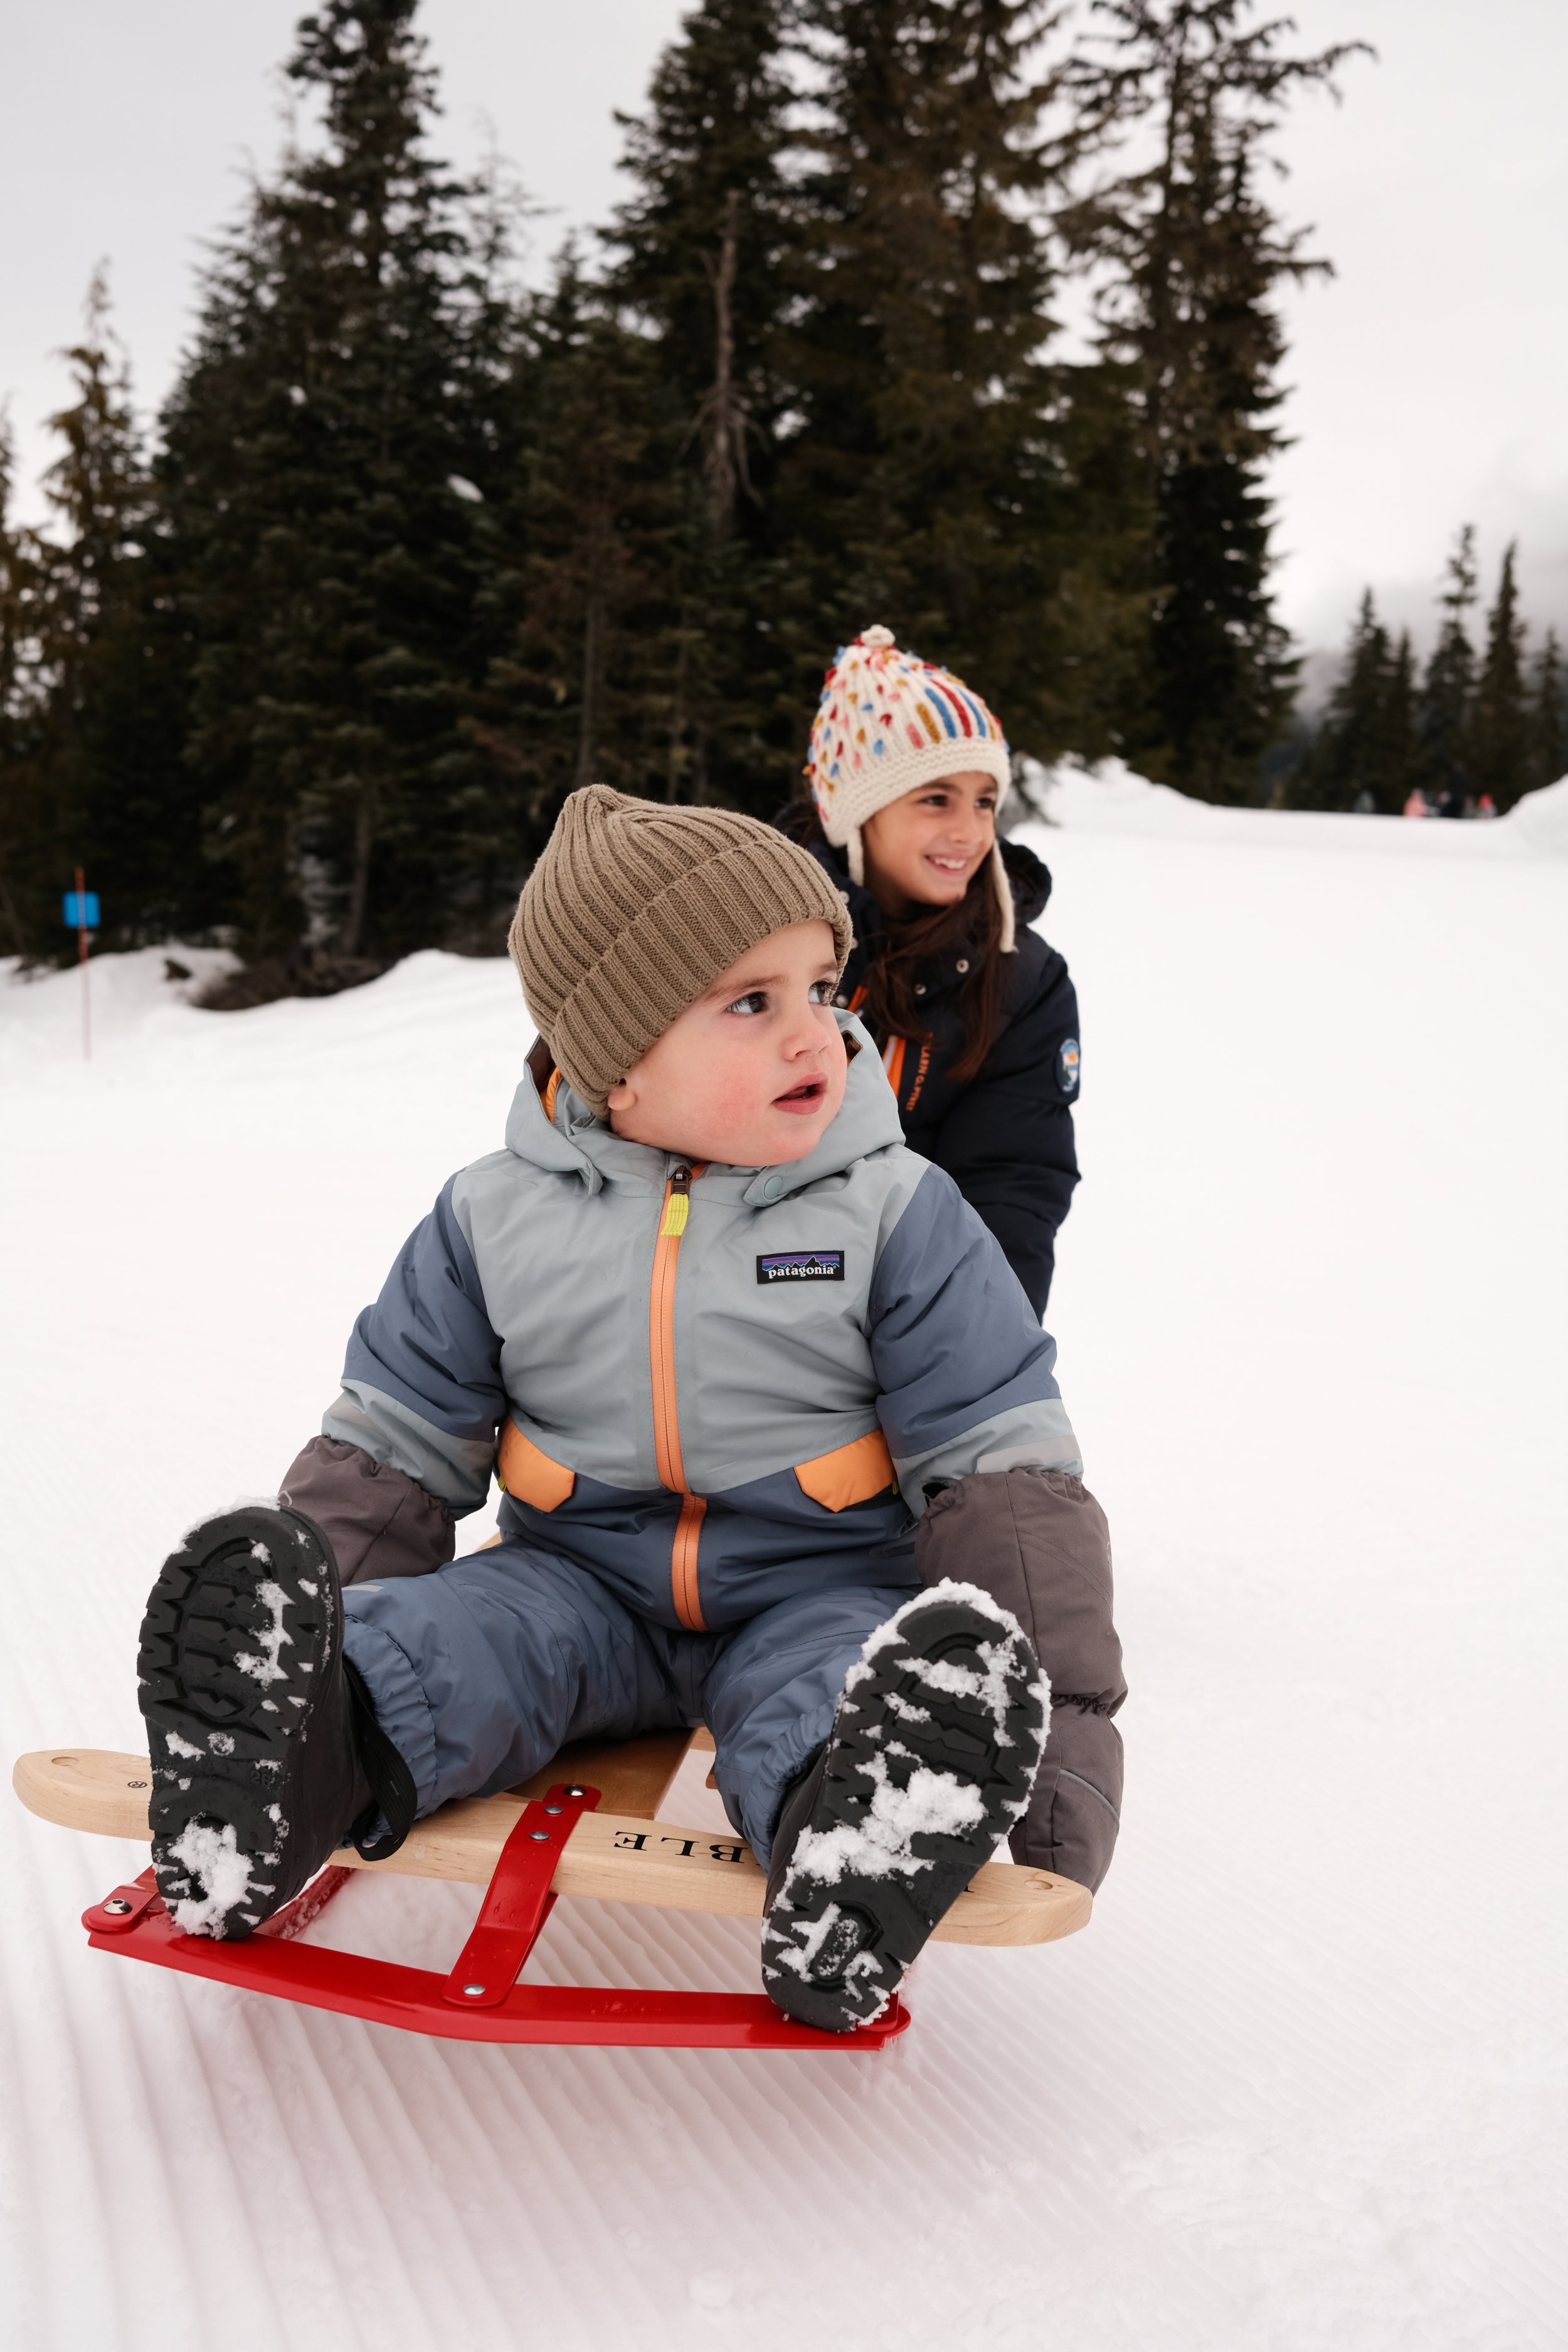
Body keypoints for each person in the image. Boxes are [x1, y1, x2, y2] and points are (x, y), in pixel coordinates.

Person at [136, 787, 1125, 2034]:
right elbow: (392, 1447)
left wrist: (1052, 1763)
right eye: (749, 1002)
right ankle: (293, 1750)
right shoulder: (490, 1217)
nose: (814, 1034)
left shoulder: (897, 1213)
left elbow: (1000, 1472)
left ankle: (866, 1833)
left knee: (836, 1689)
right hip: (575, 1582)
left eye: (822, 988)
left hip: (817, 1587)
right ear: (613, 1051)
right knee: (452, 1647)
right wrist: (323, 1614)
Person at [777, 625, 1080, 1316]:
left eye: (984, 801)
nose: (971, 833)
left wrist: (979, 1352)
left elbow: (1011, 1186)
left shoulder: (1022, 981)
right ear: (856, 811)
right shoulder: (753, 936)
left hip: (902, 1313)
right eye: (935, 799)